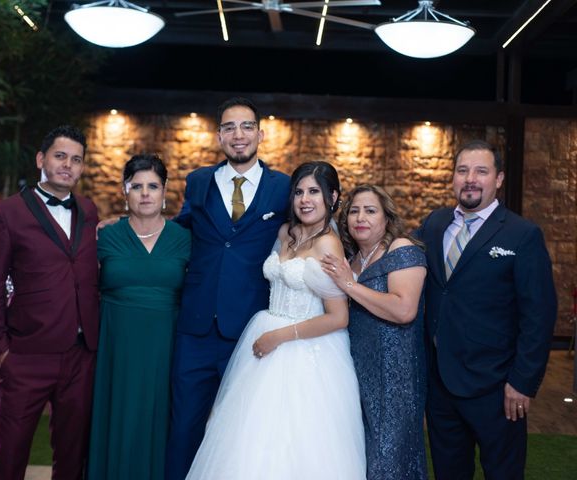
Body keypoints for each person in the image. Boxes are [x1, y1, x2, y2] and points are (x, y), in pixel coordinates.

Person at [186, 161, 366, 479]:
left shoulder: (328, 244)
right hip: (263, 340)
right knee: (246, 435)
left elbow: (338, 317)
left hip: (306, 349)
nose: (304, 200)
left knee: (294, 439)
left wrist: (280, 336)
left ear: (332, 197)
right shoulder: (286, 232)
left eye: (314, 192)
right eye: (298, 192)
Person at [415, 140, 557, 479]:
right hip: (442, 385)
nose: (470, 179)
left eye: (481, 171)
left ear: (499, 178)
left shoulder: (523, 235)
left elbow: (539, 315)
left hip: (498, 389)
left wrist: (522, 382)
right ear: (453, 178)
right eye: (463, 171)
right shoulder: (434, 225)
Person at [166, 97, 290, 479]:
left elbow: (305, 233)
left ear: (260, 133)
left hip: (251, 329)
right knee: (183, 426)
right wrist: (128, 228)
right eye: (230, 127)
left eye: (247, 126)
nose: (239, 135)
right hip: (196, 329)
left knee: (244, 431)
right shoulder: (199, 181)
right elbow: (178, 227)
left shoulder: (283, 187)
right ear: (219, 135)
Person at [0, 125, 99, 480]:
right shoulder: (6, 213)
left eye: (76, 160)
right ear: (41, 159)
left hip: (80, 354)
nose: (68, 165)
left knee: (72, 456)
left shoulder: (89, 212)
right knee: (10, 455)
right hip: (26, 354)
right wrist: (0, 349)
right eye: (60, 156)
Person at [87, 154, 191, 480]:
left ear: (164, 192)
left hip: (165, 346)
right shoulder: (104, 236)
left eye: (153, 186)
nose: (145, 194)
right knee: (116, 419)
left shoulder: (185, 238)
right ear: (124, 191)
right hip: (115, 346)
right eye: (137, 186)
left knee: (158, 421)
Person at [321, 184, 428, 479]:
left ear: (386, 218)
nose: (360, 218)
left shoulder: (401, 249)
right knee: (361, 459)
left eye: (370, 211)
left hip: (396, 379)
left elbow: (404, 310)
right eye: (354, 211)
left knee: (389, 462)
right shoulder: (352, 260)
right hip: (357, 375)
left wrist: (349, 284)